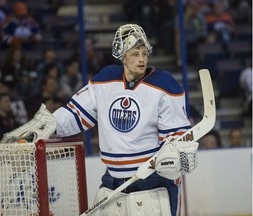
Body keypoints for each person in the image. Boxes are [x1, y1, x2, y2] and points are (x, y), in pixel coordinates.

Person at [51, 24, 198, 215]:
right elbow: (75, 114)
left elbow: (176, 135)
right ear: (123, 56)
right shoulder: (104, 80)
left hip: (152, 182)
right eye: (135, 54)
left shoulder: (165, 85)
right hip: (113, 182)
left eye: (145, 53)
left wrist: (178, 154)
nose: (141, 59)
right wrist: (49, 126)